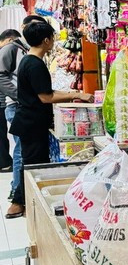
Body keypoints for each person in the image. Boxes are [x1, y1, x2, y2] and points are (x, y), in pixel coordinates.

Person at [7, 21, 92, 218]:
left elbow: (47, 92)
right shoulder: (35, 65)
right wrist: (74, 96)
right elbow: (46, 97)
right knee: (34, 166)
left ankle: (25, 201)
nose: (54, 41)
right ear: (46, 40)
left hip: (30, 122)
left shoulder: (29, 61)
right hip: (32, 123)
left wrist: (74, 92)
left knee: (31, 163)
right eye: (52, 38)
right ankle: (22, 202)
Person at [0, 29, 27, 199]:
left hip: (14, 104)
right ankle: (17, 191)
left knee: (20, 148)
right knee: (20, 149)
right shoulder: (10, 48)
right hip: (15, 105)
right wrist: (20, 95)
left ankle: (17, 188)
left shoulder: (20, 49)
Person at [0, 30, 19, 174]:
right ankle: (4, 163)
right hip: (3, 102)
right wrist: (18, 95)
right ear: (9, 39)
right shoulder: (7, 51)